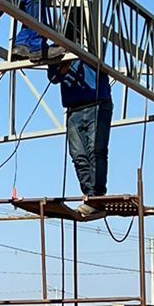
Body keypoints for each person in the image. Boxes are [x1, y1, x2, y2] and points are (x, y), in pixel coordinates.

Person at [48, 57, 113, 217]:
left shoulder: (91, 39)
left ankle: (95, 197)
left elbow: (100, 56)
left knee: (96, 151)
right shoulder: (59, 48)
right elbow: (54, 77)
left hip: (98, 104)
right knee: (79, 156)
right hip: (74, 108)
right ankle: (90, 196)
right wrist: (63, 65)